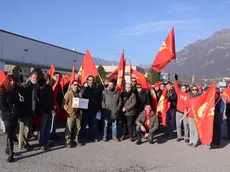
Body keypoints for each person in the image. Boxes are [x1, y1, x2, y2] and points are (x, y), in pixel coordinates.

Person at [0, 75, 21, 162]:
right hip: (7, 117)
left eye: (13, 81)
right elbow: (2, 105)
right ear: (7, 81)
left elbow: (17, 103)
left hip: (15, 116)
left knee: (12, 134)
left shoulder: (15, 90)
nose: (12, 82)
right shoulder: (2, 92)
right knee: (9, 134)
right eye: (11, 81)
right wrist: (10, 113)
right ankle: (11, 153)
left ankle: (8, 148)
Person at [19, 72, 38, 150]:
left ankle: (25, 142)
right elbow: (20, 99)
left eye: (36, 78)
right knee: (23, 129)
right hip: (24, 111)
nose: (35, 79)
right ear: (29, 77)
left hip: (31, 110)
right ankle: (22, 145)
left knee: (28, 129)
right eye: (34, 77)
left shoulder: (35, 86)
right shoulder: (25, 86)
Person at [63, 80, 83, 147]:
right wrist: (68, 110)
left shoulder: (80, 93)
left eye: (77, 85)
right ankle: (68, 141)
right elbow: (64, 103)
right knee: (69, 128)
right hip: (71, 114)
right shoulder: (68, 93)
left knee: (78, 128)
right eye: (74, 84)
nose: (76, 86)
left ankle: (76, 140)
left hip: (78, 113)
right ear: (71, 85)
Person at [81, 75, 101, 142]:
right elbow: (81, 98)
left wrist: (98, 108)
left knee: (92, 124)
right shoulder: (83, 88)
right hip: (86, 110)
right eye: (89, 80)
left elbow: (98, 99)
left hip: (93, 109)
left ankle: (92, 137)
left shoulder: (96, 88)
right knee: (85, 124)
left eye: (92, 80)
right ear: (87, 80)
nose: (91, 81)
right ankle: (83, 137)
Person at [39, 75, 55, 150]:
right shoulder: (42, 89)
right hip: (44, 111)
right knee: (43, 127)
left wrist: (53, 108)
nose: (50, 81)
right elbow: (43, 102)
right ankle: (42, 143)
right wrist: (50, 109)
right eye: (49, 80)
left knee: (48, 127)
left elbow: (51, 100)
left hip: (49, 110)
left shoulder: (49, 88)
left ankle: (46, 141)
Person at [174, 74, 190, 143]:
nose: (183, 89)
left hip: (186, 113)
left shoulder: (189, 95)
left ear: (186, 89)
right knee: (178, 125)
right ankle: (179, 136)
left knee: (186, 125)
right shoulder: (179, 93)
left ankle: (186, 137)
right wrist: (176, 80)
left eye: (184, 88)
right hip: (178, 112)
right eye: (182, 88)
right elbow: (175, 86)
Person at [49, 72, 64, 140]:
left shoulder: (57, 84)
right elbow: (50, 96)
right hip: (53, 105)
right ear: (53, 76)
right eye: (56, 76)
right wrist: (52, 106)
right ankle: (51, 136)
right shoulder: (52, 83)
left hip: (56, 105)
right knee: (51, 122)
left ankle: (53, 134)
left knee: (55, 121)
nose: (58, 78)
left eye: (59, 77)